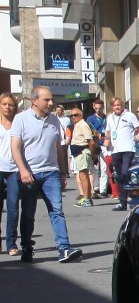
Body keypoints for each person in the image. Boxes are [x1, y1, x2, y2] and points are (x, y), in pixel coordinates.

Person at [8, 85, 82, 263]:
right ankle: (27, 247)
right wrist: (23, 170)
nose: (50, 103)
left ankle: (64, 248)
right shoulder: (21, 119)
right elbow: (15, 148)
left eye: (51, 100)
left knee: (57, 211)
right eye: (46, 100)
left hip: (51, 173)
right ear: (34, 101)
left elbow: (59, 149)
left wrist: (63, 172)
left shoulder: (54, 120)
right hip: (30, 174)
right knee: (28, 213)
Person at [104, 98, 139, 211]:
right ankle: (122, 202)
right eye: (115, 105)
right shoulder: (110, 118)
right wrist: (106, 141)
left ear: (122, 105)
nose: (117, 107)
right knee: (119, 176)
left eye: (119, 105)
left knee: (125, 173)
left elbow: (138, 128)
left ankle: (134, 197)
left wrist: (137, 138)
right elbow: (108, 132)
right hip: (115, 150)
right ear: (112, 107)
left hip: (128, 148)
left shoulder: (130, 115)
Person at [0, 93, 19, 255]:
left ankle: (11, 243)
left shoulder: (18, 123)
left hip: (15, 169)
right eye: (4, 104)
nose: (7, 107)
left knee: (13, 207)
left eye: (10, 104)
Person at [68, 108, 97, 206]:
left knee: (83, 176)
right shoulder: (76, 125)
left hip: (83, 152)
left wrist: (93, 154)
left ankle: (87, 199)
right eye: (71, 116)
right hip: (78, 153)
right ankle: (86, 198)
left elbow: (90, 142)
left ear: (81, 115)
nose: (73, 117)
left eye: (75, 115)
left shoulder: (83, 125)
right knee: (82, 176)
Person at [86, 98, 108, 196]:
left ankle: (103, 189)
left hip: (104, 145)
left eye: (100, 108)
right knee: (94, 167)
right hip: (95, 145)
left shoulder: (107, 118)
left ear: (103, 107)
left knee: (104, 167)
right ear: (94, 108)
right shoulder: (90, 119)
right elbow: (88, 131)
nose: (98, 110)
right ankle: (95, 187)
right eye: (96, 108)